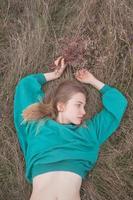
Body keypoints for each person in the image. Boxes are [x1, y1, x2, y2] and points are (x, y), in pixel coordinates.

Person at [13, 56, 128, 200]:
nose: (84, 112)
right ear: (60, 106)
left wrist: (92, 81)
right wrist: (54, 75)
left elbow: (119, 103)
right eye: (78, 104)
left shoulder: (89, 131)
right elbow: (25, 86)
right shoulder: (37, 125)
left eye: (84, 106)